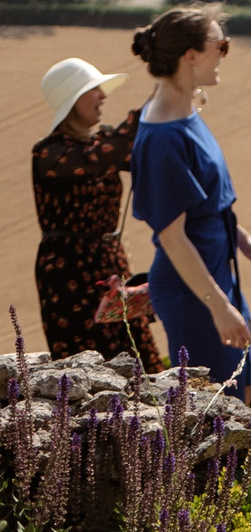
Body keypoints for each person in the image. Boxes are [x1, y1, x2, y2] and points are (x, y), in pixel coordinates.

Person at [128, 9, 251, 398]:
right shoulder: (163, 137)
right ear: (190, 55)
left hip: (215, 273)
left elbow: (206, 203)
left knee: (250, 387)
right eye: (220, 45)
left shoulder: (185, 112)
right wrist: (218, 307)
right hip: (192, 291)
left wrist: (243, 240)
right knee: (218, 409)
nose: (224, 54)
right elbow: (173, 237)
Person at [30, 57, 151, 366]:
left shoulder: (102, 141)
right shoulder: (49, 153)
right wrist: (151, 108)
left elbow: (145, 156)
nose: (103, 95)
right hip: (68, 273)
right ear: (72, 100)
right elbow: (97, 158)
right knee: (85, 366)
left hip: (110, 265)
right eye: (93, 89)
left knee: (137, 356)